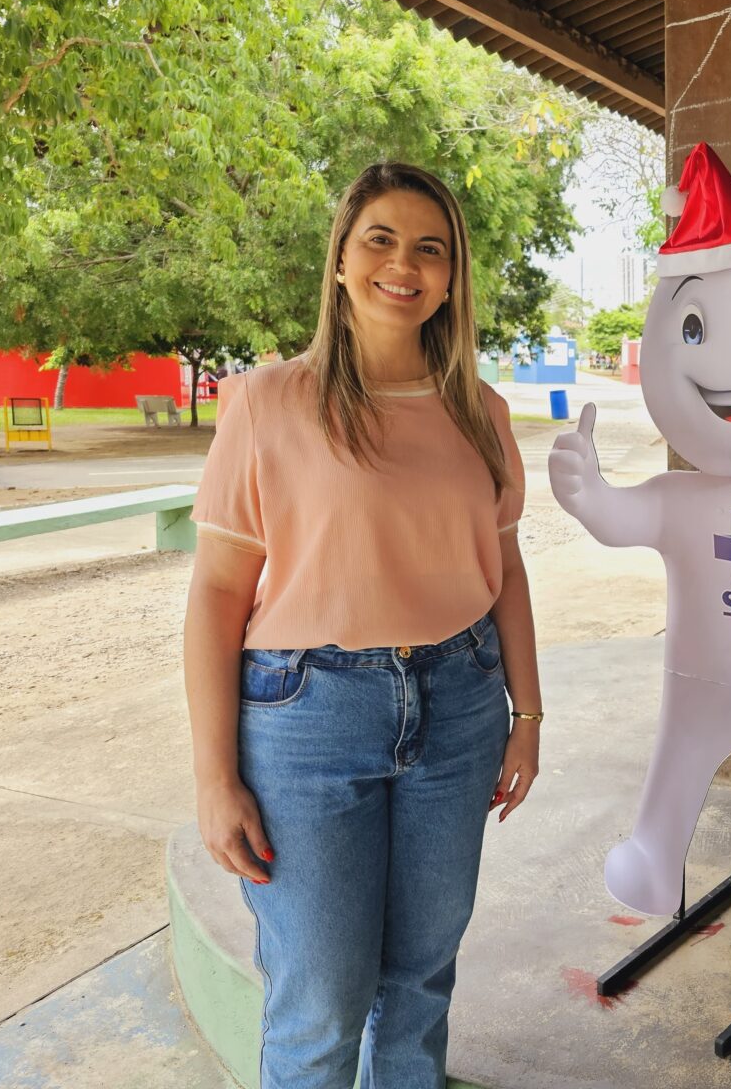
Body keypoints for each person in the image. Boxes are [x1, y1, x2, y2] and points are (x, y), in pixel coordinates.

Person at [184, 162, 542, 1088]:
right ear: (341, 259)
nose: (404, 264)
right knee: (322, 1004)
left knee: (421, 983)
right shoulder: (268, 403)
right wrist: (214, 776)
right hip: (307, 719)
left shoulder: (481, 412)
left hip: (461, 708)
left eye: (431, 248)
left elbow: (505, 575)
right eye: (380, 238)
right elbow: (218, 595)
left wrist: (527, 717)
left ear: (453, 276)